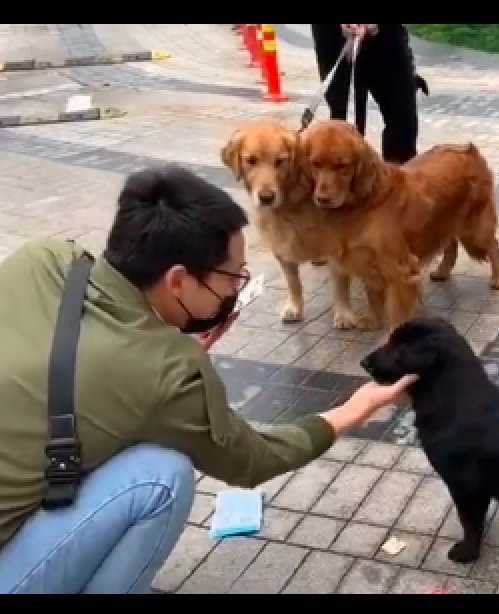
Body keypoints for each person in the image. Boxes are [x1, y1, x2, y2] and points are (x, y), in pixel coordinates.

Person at [0, 165, 416, 594]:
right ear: (178, 280)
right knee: (162, 476)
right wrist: (355, 409)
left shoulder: (44, 258)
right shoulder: (167, 372)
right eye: (233, 277)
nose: (236, 289)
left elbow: (95, 369)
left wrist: (161, 349)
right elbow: (252, 459)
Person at [310, 23, 422, 164]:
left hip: (388, 36)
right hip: (335, 37)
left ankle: (397, 178)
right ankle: (343, 181)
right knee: (345, 128)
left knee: (403, 119)